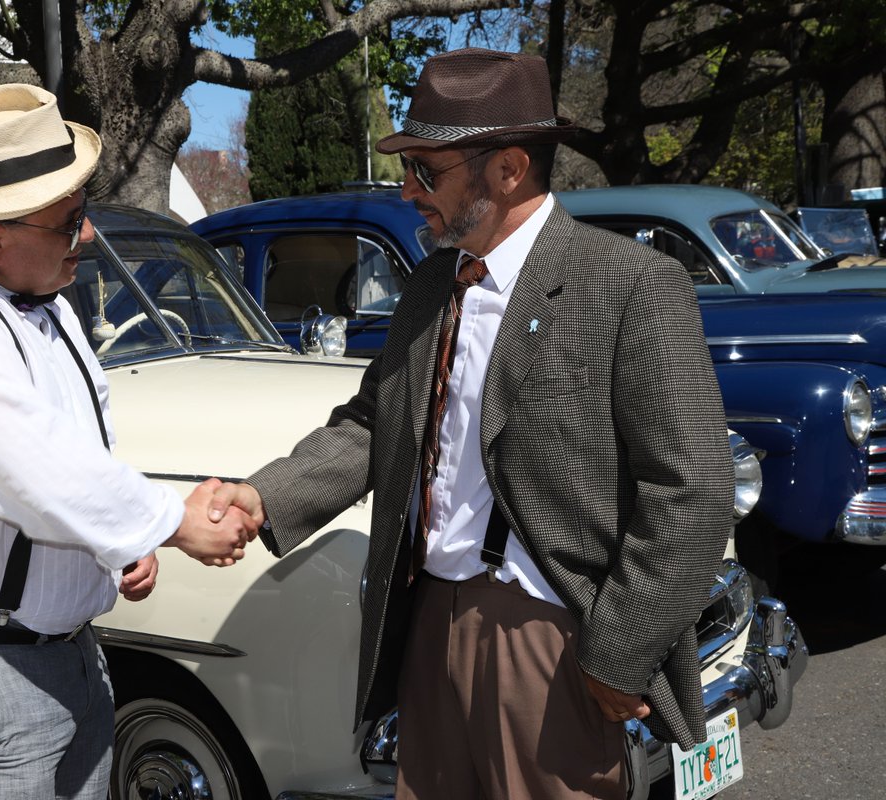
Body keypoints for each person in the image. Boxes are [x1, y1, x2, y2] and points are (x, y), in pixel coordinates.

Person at [211, 48, 733, 799]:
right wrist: (265, 498)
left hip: (550, 638)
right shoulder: (432, 283)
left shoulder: (630, 285)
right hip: (428, 622)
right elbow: (371, 422)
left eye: (427, 169)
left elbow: (692, 491)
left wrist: (617, 651)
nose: (407, 188)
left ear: (509, 169)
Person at [0, 83, 256, 800]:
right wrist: (174, 523)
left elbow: (79, 448)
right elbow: (33, 470)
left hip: (58, 655)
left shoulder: (43, 305)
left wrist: (120, 544)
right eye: (69, 221)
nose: (89, 236)